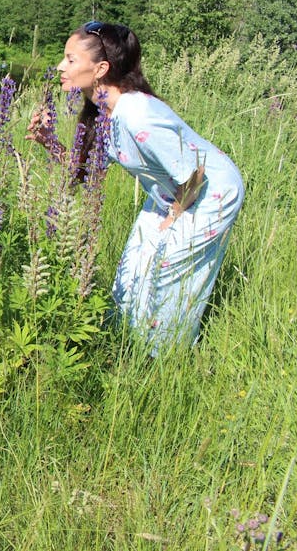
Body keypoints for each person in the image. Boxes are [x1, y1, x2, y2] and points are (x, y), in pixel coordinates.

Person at [26, 21, 244, 354]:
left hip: (209, 193)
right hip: (172, 191)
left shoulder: (137, 114)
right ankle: (125, 347)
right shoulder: (104, 112)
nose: (60, 67)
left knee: (165, 275)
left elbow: (195, 173)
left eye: (70, 59)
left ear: (101, 69)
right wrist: (48, 141)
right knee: (132, 273)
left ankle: (165, 358)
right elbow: (83, 171)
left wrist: (172, 219)